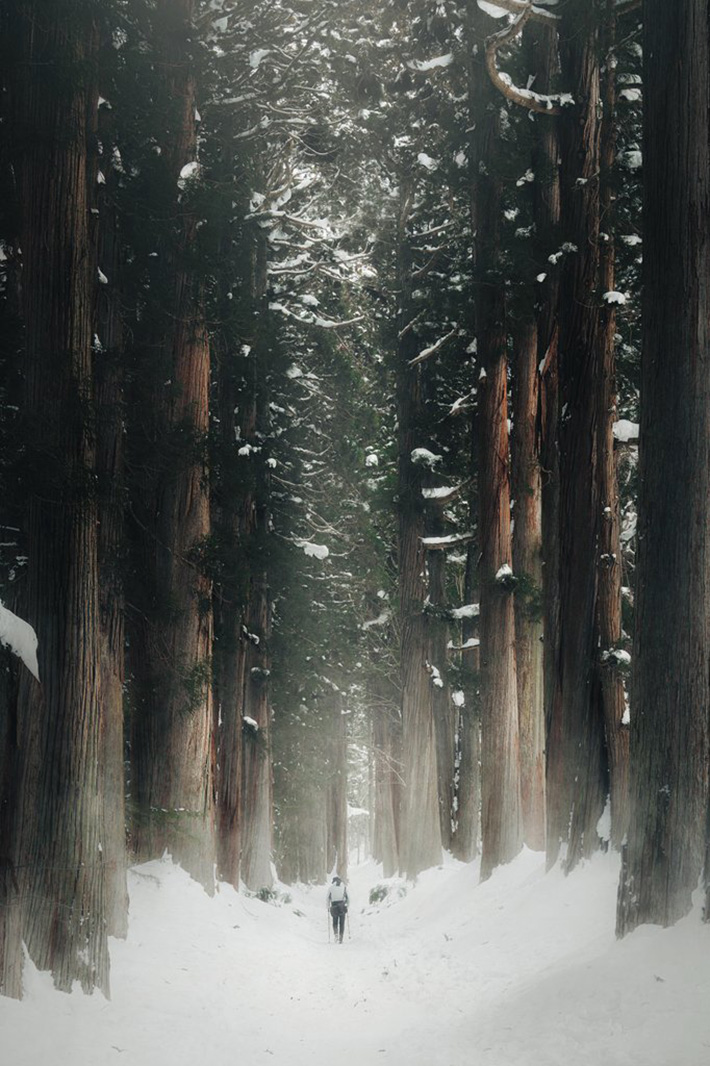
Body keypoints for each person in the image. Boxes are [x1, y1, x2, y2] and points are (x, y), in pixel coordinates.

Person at [327, 875, 348, 943]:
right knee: (342, 923)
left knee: (335, 921)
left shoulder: (330, 888)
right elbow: (348, 898)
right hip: (342, 906)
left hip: (334, 906)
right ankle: (341, 938)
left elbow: (327, 898)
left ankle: (336, 934)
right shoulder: (344, 888)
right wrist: (347, 906)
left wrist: (328, 907)